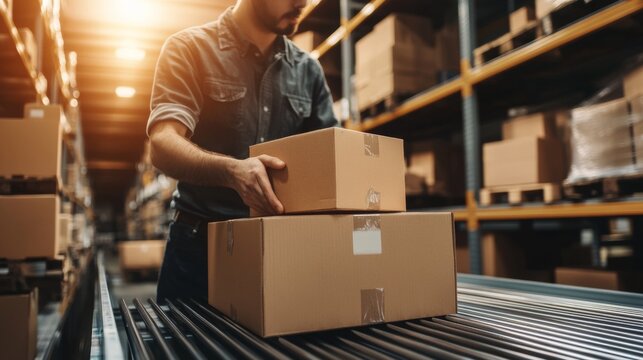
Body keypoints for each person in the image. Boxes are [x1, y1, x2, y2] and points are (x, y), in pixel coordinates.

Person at [147, 0, 337, 301]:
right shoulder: (189, 49)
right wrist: (232, 172)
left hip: (279, 249)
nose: (302, 3)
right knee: (187, 347)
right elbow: (161, 144)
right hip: (200, 252)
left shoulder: (308, 71)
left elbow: (333, 159)